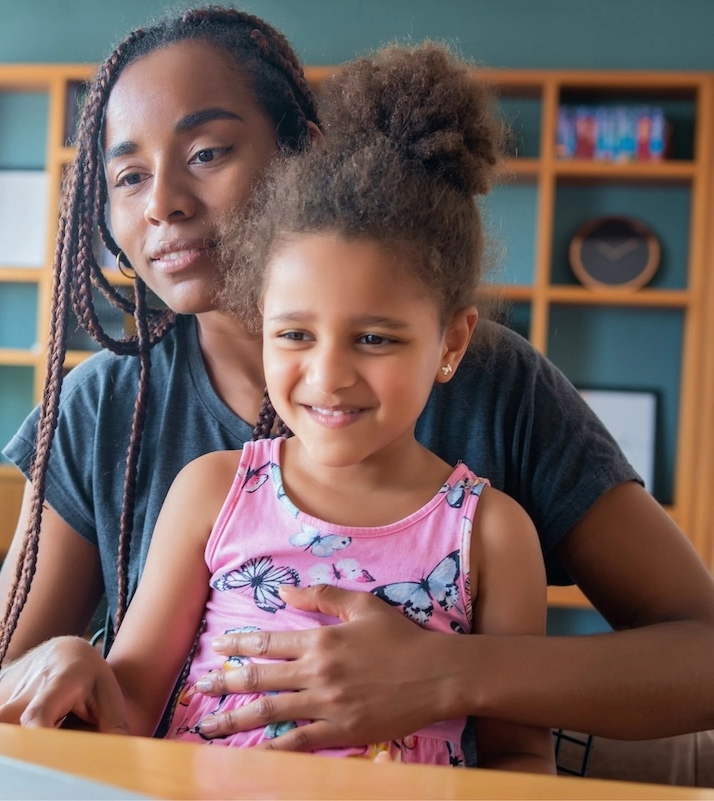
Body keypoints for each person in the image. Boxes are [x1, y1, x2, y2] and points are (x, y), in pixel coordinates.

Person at [0, 6, 714, 751]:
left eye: (207, 152)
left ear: (303, 153)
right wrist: (66, 664)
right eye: (127, 175)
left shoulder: (497, 387)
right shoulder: (106, 404)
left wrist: (451, 673)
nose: (162, 203)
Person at [71, 42, 555, 773]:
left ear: (453, 341)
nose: (328, 375)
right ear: (261, 318)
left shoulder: (493, 536)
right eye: (295, 333)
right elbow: (129, 703)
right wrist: (70, 667)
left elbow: (521, 757)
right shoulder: (211, 492)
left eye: (374, 337)